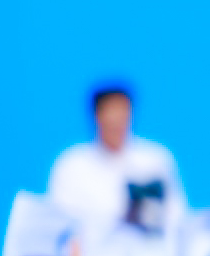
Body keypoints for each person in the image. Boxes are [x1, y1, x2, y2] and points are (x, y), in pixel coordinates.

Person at [44, 83, 184, 245]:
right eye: (111, 113)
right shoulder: (71, 166)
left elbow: (177, 217)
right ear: (97, 116)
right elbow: (62, 225)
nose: (118, 122)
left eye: (123, 113)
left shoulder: (156, 160)